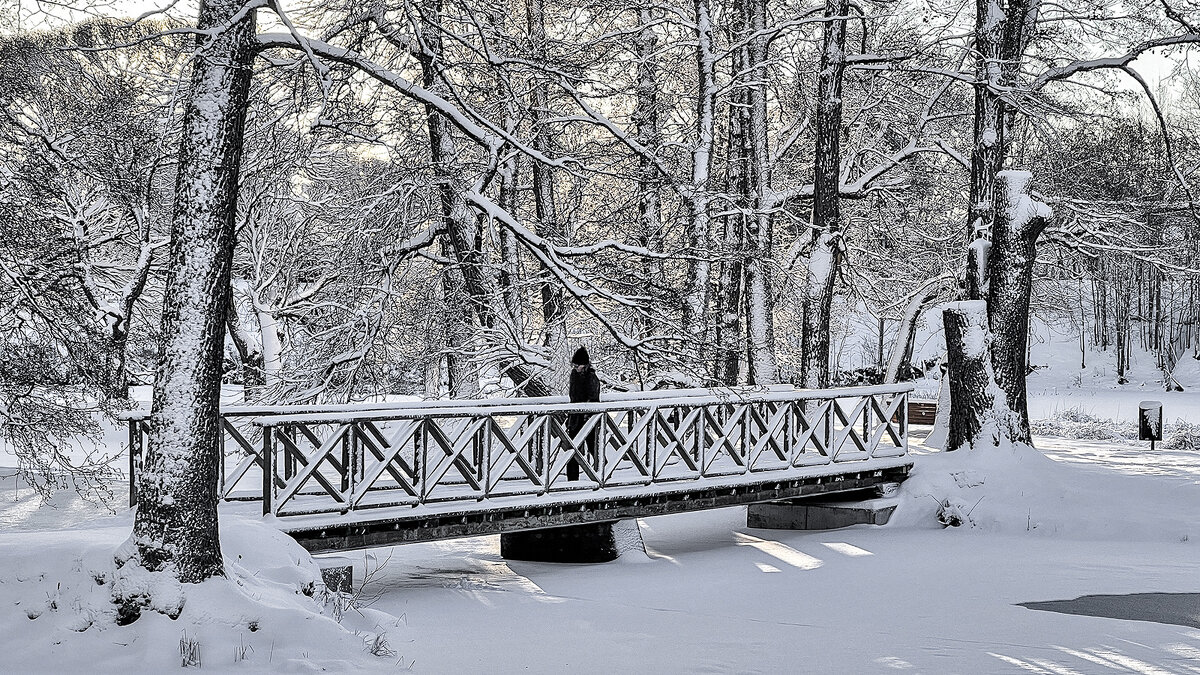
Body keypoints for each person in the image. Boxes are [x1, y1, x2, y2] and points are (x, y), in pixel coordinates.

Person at [566, 346, 601, 481]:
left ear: (585, 365)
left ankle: (601, 473)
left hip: (588, 418)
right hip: (575, 418)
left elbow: (593, 398)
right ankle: (572, 479)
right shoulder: (574, 375)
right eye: (574, 365)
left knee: (593, 447)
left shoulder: (591, 377)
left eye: (577, 365)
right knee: (572, 449)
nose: (575, 367)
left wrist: (587, 414)